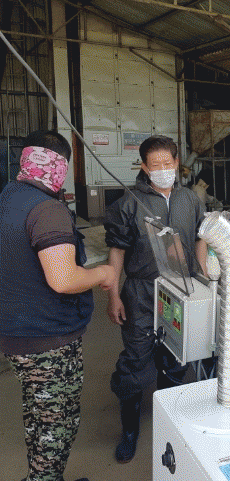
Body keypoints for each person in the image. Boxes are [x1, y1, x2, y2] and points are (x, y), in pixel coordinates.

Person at [0, 130, 116, 481]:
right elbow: (63, 279)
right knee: (57, 424)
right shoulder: (47, 210)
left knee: (38, 415)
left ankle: (41, 476)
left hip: (16, 335)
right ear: (61, 165)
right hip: (48, 341)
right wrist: (104, 273)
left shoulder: (9, 196)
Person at [104, 135, 208, 463]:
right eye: (155, 164)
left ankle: (170, 420)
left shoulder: (190, 199)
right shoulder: (129, 203)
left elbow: (201, 237)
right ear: (145, 167)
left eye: (168, 162)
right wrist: (113, 294)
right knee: (136, 359)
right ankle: (130, 431)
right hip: (141, 293)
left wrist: (204, 277)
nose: (163, 168)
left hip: (181, 290)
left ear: (177, 163)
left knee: (176, 357)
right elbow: (117, 251)